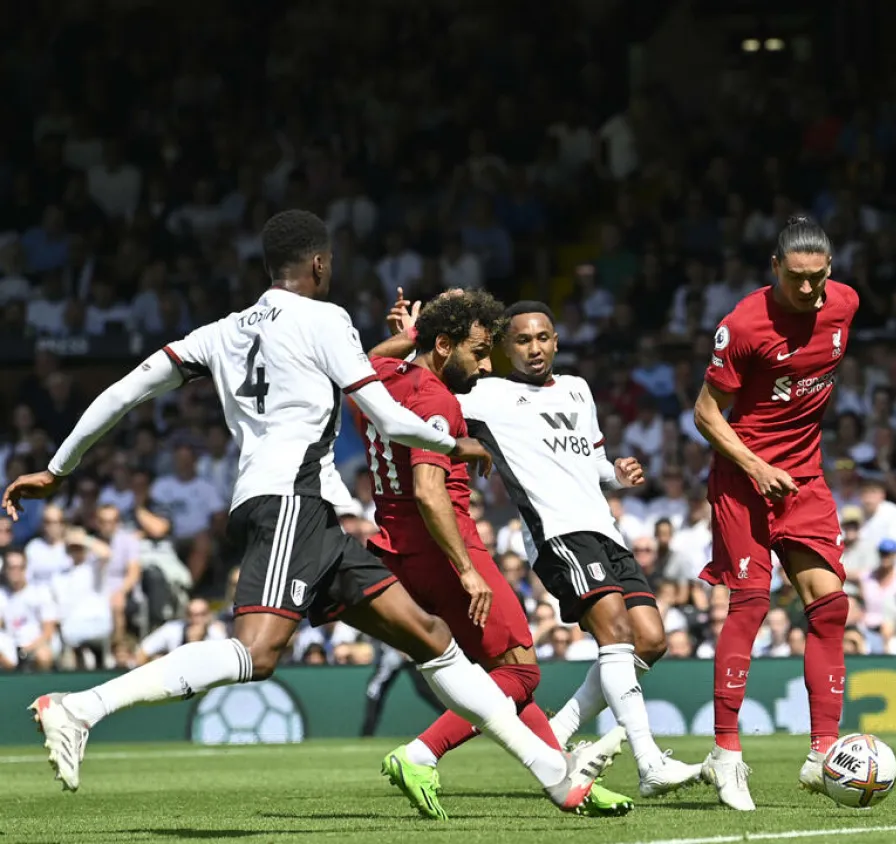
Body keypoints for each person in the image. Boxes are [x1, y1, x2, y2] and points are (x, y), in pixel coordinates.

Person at [2, 210, 620, 813]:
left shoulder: (218, 332)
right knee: (256, 654)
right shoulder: (326, 319)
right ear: (320, 264)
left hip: (313, 513)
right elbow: (386, 415)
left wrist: (59, 468)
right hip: (290, 502)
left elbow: (127, 387)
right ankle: (82, 708)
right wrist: (451, 441)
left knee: (432, 638)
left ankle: (556, 778)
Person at [370, 295, 701, 799]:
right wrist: (418, 339)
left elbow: (593, 462)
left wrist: (616, 473)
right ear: (504, 348)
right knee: (604, 635)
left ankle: (561, 735)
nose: (534, 348)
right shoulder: (485, 393)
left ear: (557, 340)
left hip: (603, 528)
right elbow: (401, 383)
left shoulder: (578, 390)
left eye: (543, 337)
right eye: (521, 340)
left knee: (650, 640)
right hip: (556, 533)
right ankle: (648, 762)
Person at [691, 215, 859, 811]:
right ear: (775, 269)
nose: (809, 290)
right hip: (743, 479)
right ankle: (727, 754)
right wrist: (758, 466)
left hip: (805, 478)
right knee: (752, 603)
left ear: (830, 270)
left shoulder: (845, 305)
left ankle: (823, 754)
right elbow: (706, 414)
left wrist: (785, 466)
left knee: (831, 607)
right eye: (796, 279)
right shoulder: (743, 324)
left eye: (817, 277)